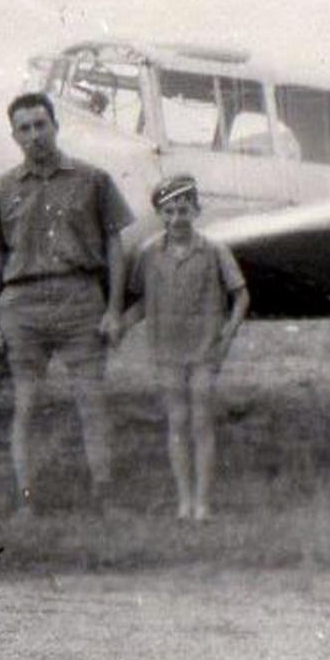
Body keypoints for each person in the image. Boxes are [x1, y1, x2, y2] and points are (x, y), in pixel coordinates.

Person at [0, 91, 134, 518]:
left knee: (91, 402)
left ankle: (104, 498)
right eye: (24, 128)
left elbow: (115, 247)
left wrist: (114, 309)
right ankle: (26, 501)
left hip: (80, 298)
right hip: (21, 305)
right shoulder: (0, 191)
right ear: (14, 136)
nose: (34, 135)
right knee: (25, 404)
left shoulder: (93, 180)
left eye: (40, 125)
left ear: (55, 126)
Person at [123, 174, 249, 521]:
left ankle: (203, 503)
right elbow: (143, 300)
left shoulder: (214, 250)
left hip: (204, 349)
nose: (176, 218)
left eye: (183, 210)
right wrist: (119, 325)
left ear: (196, 211)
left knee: (201, 421)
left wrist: (228, 334)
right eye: (168, 212)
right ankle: (184, 500)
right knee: (177, 421)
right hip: (166, 350)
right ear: (160, 215)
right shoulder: (149, 252)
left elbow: (241, 295)